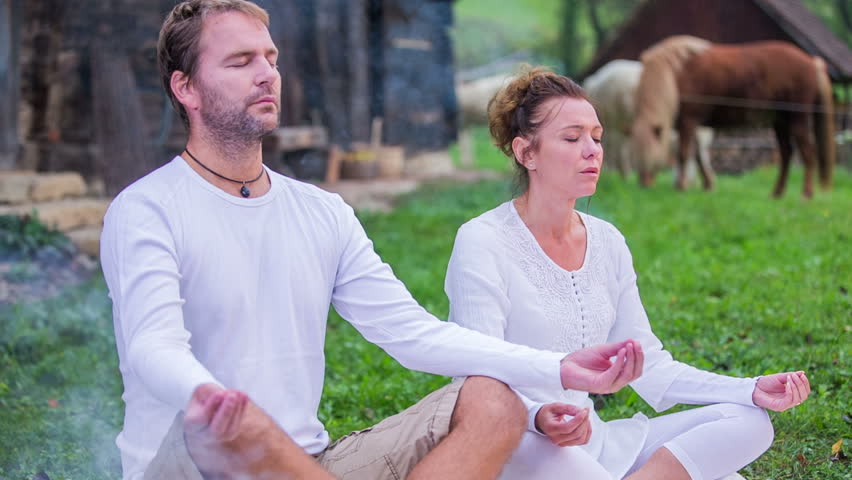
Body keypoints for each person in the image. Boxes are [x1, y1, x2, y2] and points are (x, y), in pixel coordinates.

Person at [100, 3, 646, 479]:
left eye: (270, 58)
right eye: (241, 62)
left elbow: (412, 332)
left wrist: (557, 367)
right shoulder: (148, 209)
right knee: (232, 422)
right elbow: (154, 346)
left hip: (308, 462)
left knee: (493, 399)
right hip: (196, 462)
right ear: (186, 88)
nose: (267, 74)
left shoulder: (322, 212)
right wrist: (208, 396)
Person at [443, 67, 811, 480]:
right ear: (527, 153)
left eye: (597, 137)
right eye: (572, 138)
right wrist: (538, 418)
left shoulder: (608, 241)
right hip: (522, 443)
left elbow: (650, 364)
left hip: (595, 441)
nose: (592, 151)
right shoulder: (482, 240)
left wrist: (749, 388)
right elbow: (476, 374)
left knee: (748, 420)